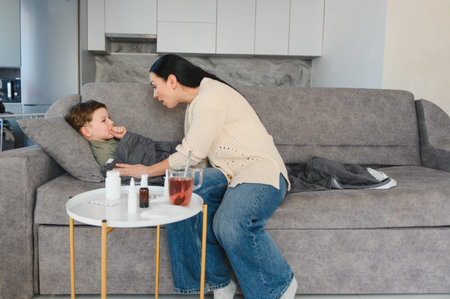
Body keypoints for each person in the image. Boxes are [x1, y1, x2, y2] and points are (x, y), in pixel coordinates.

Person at [114, 54, 297, 298]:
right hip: (229, 174)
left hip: (259, 170)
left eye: (155, 87)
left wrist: (147, 170)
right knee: (178, 198)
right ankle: (216, 282)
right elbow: (195, 162)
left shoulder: (211, 97)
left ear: (171, 80)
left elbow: (191, 152)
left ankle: (278, 287)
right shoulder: (195, 104)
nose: (155, 95)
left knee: (228, 225)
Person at [65, 100, 176, 183]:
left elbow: (143, 145)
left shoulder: (112, 138)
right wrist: (127, 140)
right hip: (151, 162)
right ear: (87, 131)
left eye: (109, 117)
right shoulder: (102, 152)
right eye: (104, 120)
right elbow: (121, 168)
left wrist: (125, 137)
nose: (111, 122)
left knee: (177, 150)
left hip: (157, 152)